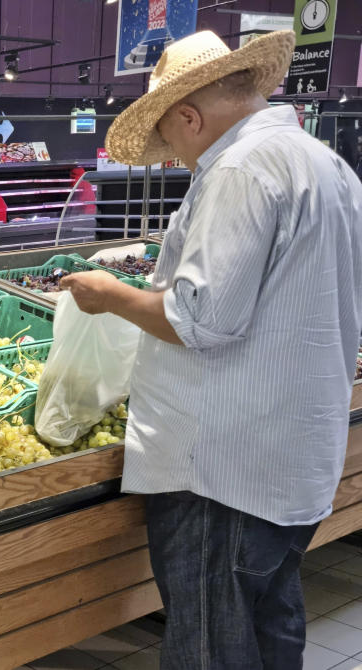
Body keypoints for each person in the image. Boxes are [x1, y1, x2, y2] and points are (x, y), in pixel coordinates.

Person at [60, 30, 362, 669]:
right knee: (272, 621)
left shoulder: (237, 170)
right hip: (294, 457)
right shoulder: (324, 163)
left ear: (189, 116)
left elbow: (199, 319)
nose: (179, 158)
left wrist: (111, 294)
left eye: (173, 144)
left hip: (223, 470)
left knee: (210, 646)